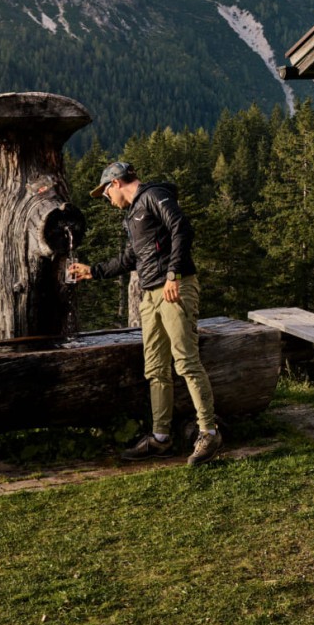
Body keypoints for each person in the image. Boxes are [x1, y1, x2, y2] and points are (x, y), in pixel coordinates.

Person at [68, 160, 222, 467]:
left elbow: (181, 227)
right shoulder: (133, 215)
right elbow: (130, 258)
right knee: (155, 367)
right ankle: (161, 438)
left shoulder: (153, 195)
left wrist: (173, 274)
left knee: (186, 361)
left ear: (115, 183)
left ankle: (209, 432)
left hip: (174, 287)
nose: (107, 200)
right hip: (150, 294)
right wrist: (93, 271)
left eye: (106, 194)